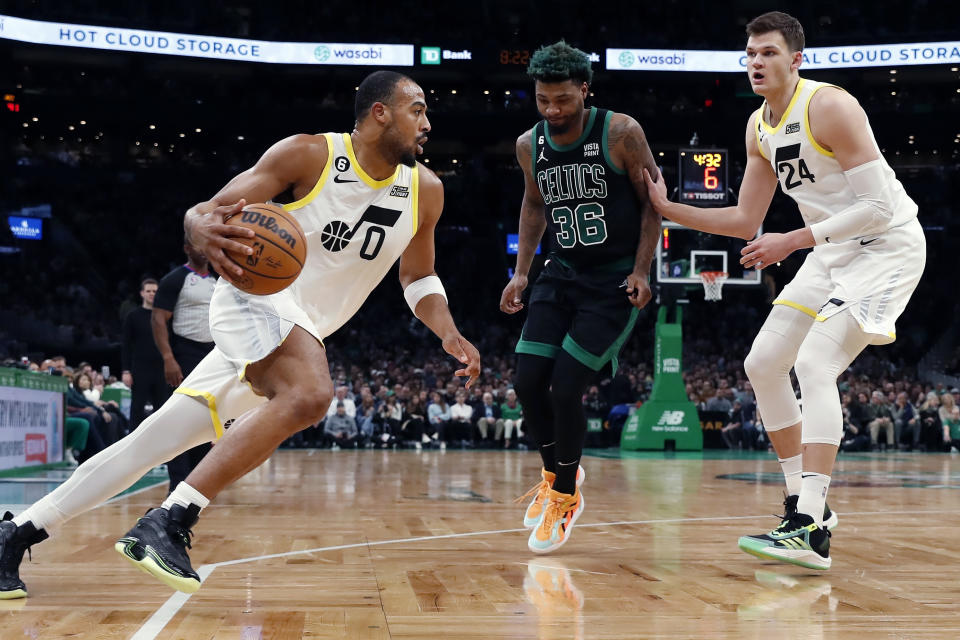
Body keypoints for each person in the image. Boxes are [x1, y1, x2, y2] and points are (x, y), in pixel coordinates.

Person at [0, 70, 480, 599]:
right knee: (310, 393)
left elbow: (418, 278)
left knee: (150, 444)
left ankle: (15, 532)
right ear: (379, 113)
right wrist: (197, 226)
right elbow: (207, 212)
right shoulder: (308, 155)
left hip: (295, 330)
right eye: (417, 109)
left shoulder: (425, 192)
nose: (428, 123)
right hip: (253, 300)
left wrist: (448, 332)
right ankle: (171, 519)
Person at [643, 11, 925, 570]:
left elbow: (878, 208)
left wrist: (791, 240)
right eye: (749, 54)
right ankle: (802, 504)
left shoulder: (830, 106)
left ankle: (811, 520)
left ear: (796, 59)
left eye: (768, 53)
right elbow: (748, 216)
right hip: (829, 251)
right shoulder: (757, 126)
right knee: (764, 361)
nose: (755, 62)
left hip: (887, 247)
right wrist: (669, 210)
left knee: (816, 361)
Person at [499, 41, 659, 554]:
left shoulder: (620, 132)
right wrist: (521, 274)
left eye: (564, 99)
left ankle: (566, 495)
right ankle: (556, 475)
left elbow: (653, 206)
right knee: (527, 383)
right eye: (544, 99)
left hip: (611, 282)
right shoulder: (529, 144)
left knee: (566, 390)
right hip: (560, 274)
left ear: (585, 90)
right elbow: (532, 205)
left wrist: (641, 269)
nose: (553, 110)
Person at [153, 244, 217, 493]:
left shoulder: (217, 280)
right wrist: (169, 358)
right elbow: (158, 319)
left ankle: (196, 484)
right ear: (187, 248)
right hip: (184, 351)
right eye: (199, 245)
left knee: (204, 419)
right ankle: (176, 483)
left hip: (212, 353)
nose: (204, 250)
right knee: (179, 419)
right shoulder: (175, 278)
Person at [121, 279, 167, 430]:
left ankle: (160, 445)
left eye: (154, 291)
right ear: (142, 293)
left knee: (162, 409)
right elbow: (126, 345)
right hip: (140, 368)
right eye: (148, 291)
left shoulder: (164, 316)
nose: (152, 294)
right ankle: (133, 445)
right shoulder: (133, 316)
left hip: (162, 368)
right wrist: (126, 370)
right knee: (137, 408)